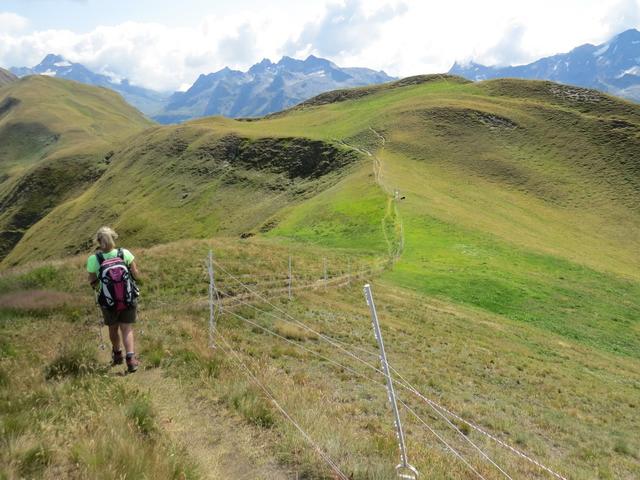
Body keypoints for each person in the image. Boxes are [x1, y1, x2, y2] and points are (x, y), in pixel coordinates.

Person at [87, 226, 141, 373]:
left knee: (113, 328)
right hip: (127, 297)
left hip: (107, 301)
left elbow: (92, 281)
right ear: (113, 238)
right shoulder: (125, 253)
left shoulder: (94, 259)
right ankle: (131, 358)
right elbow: (135, 274)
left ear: (98, 241)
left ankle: (117, 354)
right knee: (126, 328)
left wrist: (102, 287)